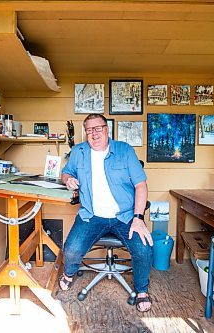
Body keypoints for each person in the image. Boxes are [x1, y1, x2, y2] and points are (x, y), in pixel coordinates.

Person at [59, 113, 153, 312]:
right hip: (91, 215)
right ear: (86, 133)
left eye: (98, 128)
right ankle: (68, 273)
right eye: (89, 129)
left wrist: (138, 218)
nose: (94, 133)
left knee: (144, 249)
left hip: (125, 216)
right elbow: (66, 172)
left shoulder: (124, 150)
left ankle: (142, 291)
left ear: (107, 129)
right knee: (71, 250)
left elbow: (141, 186)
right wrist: (67, 179)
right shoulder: (79, 151)